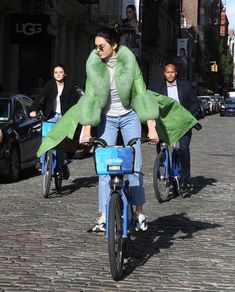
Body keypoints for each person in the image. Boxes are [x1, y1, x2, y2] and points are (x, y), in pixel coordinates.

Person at [36, 28, 198, 232]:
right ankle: (104, 215)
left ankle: (139, 212)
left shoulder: (130, 63)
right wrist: (86, 129)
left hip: (130, 116)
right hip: (107, 119)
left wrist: (151, 127)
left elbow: (141, 95)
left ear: (113, 46)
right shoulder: (93, 65)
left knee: (135, 165)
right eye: (95, 46)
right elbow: (91, 99)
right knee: (104, 167)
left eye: (101, 46)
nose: (97, 50)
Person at [155, 63, 199, 196]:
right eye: (167, 72)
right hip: (166, 124)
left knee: (184, 149)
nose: (170, 74)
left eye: (172, 72)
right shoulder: (159, 88)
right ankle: (163, 168)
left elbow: (195, 103)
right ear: (164, 73)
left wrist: (187, 116)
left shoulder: (185, 86)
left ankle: (185, 181)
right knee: (160, 147)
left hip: (183, 123)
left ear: (176, 73)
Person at [29, 64, 80, 180]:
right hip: (50, 117)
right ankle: (43, 164)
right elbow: (40, 98)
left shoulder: (70, 87)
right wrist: (34, 110)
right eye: (56, 72)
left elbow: (75, 103)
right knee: (46, 139)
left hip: (64, 118)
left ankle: (63, 164)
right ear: (53, 74)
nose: (58, 74)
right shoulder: (49, 86)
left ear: (65, 74)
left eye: (60, 72)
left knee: (59, 146)